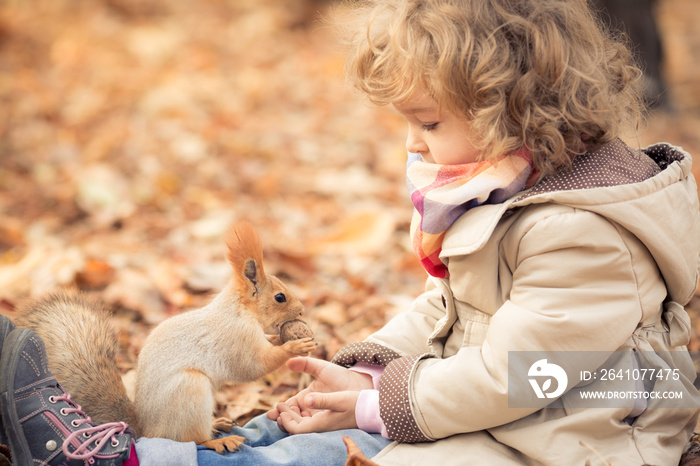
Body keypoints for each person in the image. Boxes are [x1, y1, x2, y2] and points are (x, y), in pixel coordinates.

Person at [2, 0, 699, 464]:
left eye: (429, 124)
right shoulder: (520, 191)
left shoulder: (581, 236)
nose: (416, 147)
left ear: (512, 113)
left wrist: (381, 405)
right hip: (523, 406)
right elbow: (455, 308)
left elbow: (524, 375)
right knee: (315, 429)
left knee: (364, 453)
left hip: (584, 434)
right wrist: (372, 365)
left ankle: (123, 460)